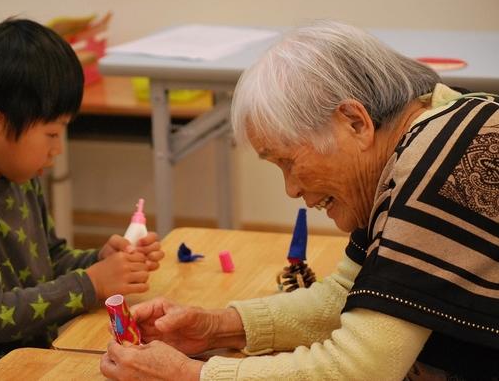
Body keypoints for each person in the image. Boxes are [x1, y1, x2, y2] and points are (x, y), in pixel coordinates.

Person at [99, 21, 499, 380]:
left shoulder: (436, 170)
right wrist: (215, 327)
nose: (291, 189)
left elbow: (360, 369)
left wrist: (191, 376)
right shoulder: (440, 125)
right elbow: (348, 295)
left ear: (355, 122)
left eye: (288, 161)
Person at [0, 18, 164, 380]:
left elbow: (51, 259)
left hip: (36, 361)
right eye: (51, 133)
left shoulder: (17, 176)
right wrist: (91, 282)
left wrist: (103, 260)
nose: (58, 149)